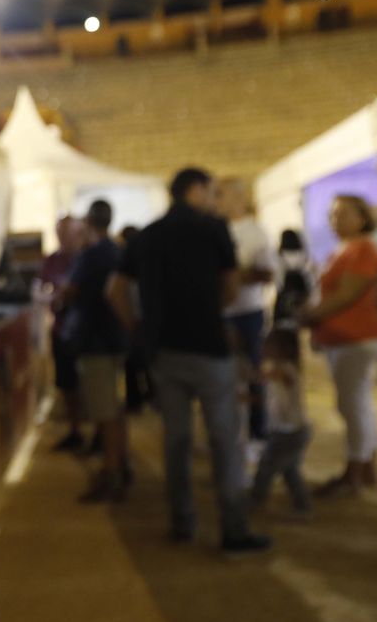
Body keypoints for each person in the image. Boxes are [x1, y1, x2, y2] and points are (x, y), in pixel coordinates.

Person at [113, 168, 271, 554]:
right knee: (224, 440)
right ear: (196, 190)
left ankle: (182, 522)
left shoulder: (147, 235)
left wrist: (139, 329)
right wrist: (210, 312)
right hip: (209, 348)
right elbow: (231, 287)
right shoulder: (214, 229)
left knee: (176, 440)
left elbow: (115, 291)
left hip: (162, 351)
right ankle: (234, 529)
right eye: (211, 191)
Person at [300, 195, 377, 496]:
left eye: (343, 214)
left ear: (362, 217)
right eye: (333, 214)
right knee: (357, 402)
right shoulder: (346, 249)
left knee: (352, 404)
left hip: (356, 337)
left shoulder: (362, 249)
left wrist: (309, 316)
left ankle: (354, 473)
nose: (336, 220)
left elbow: (347, 295)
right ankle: (367, 468)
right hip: (344, 337)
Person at [62, 199, 130, 502]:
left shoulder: (90, 255)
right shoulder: (117, 251)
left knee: (105, 413)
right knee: (114, 409)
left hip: (95, 342)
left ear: (88, 222)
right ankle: (120, 466)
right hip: (114, 340)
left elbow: (69, 292)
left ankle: (112, 473)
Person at [215, 178, 275, 446]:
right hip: (219, 313)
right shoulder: (214, 230)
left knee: (253, 372)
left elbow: (268, 273)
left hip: (247, 313)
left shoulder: (255, 232)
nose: (215, 200)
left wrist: (233, 276)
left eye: (220, 194)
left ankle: (258, 430)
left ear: (238, 198)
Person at [248, 327, 311, 520]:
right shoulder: (280, 370)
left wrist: (257, 374)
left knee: (266, 466)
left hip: (290, 434)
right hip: (290, 432)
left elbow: (275, 376)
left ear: (284, 349)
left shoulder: (286, 369)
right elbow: (268, 397)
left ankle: (256, 500)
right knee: (290, 471)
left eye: (269, 344)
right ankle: (303, 506)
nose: (264, 347)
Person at [38, 215, 87, 451]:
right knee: (68, 384)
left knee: (89, 385)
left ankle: (98, 433)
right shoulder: (52, 260)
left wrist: (62, 296)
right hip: (61, 330)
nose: (64, 238)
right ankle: (75, 430)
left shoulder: (87, 258)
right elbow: (42, 289)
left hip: (86, 334)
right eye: (60, 233)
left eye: (68, 233)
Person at [117, 225, 149, 413]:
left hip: (134, 322)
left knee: (133, 363)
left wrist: (128, 322)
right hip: (141, 321)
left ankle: (136, 399)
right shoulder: (144, 266)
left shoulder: (126, 269)